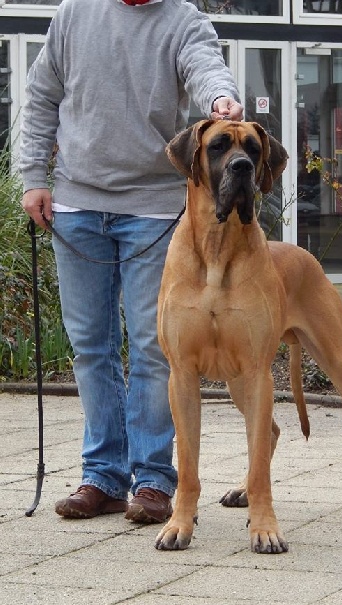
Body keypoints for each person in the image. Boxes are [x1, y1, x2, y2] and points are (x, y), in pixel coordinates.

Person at [20, 0, 243, 524]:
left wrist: (221, 97)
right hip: (76, 204)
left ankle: (153, 480)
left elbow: (204, 64)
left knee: (152, 345)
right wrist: (33, 176)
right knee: (91, 347)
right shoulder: (75, 13)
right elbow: (41, 96)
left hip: (154, 210)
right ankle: (102, 475)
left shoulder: (183, 19)